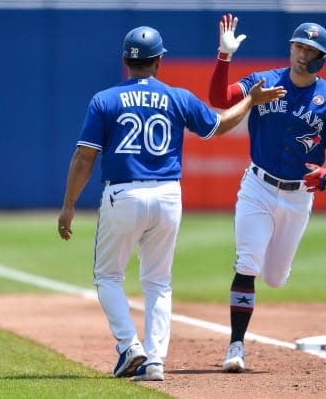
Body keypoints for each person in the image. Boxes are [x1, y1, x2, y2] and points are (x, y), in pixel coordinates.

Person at [57, 25, 286, 382]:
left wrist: (69, 205)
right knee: (158, 283)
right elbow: (219, 125)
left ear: (125, 61)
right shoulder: (177, 97)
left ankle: (130, 347)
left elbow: (83, 158)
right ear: (160, 61)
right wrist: (251, 101)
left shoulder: (104, 100)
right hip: (167, 195)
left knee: (107, 276)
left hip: (123, 193)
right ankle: (155, 363)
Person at [208, 14, 326, 372]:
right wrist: (223, 57)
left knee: (275, 278)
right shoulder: (265, 81)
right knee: (247, 263)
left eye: (310, 49)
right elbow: (219, 98)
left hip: (297, 196)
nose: (302, 53)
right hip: (257, 187)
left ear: (321, 57)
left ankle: (271, 271)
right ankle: (235, 346)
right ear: (290, 47)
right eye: (298, 46)